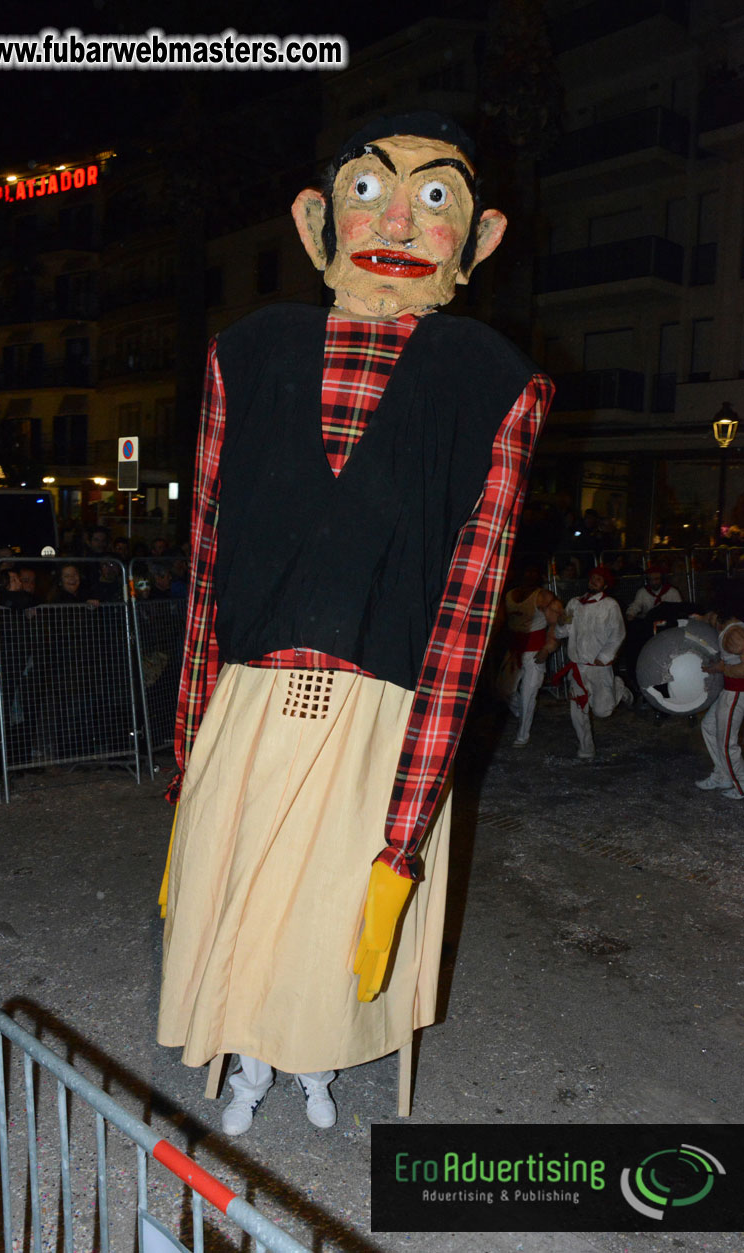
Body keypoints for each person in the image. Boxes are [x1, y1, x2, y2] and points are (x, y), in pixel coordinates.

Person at [157, 111, 553, 1135]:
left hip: (383, 702)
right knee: (243, 882)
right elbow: (203, 556)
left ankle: (315, 1051)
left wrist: (420, 776)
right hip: (250, 693)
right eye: (367, 191)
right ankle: (248, 1049)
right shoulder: (245, 354)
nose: (396, 220)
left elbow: (472, 594)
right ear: (313, 219)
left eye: (434, 202)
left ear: (477, 242)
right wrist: (184, 739)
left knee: (339, 898)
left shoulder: (490, 379)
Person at [552, 565, 631, 761]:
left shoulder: (610, 605)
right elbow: (562, 633)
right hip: (578, 666)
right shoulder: (574, 603)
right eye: (592, 577)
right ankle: (586, 747)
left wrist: (604, 656)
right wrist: (561, 624)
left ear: (605, 585)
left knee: (602, 711)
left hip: (599, 667)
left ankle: (618, 687)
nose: (594, 581)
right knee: (578, 709)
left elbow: (618, 633)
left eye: (599, 579)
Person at [496, 566, 562, 747]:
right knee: (503, 689)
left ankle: (522, 735)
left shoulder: (544, 597)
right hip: (514, 650)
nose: (528, 575)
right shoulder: (510, 595)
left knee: (528, 695)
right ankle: (522, 712)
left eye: (532, 572)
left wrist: (547, 648)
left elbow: (555, 625)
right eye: (526, 571)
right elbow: (501, 622)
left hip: (534, 652)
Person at [696, 602, 744, 800]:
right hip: (729, 690)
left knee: (727, 743)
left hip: (737, 692)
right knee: (708, 726)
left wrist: (721, 669)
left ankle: (741, 784)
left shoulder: (734, 634)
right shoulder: (731, 627)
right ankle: (723, 775)